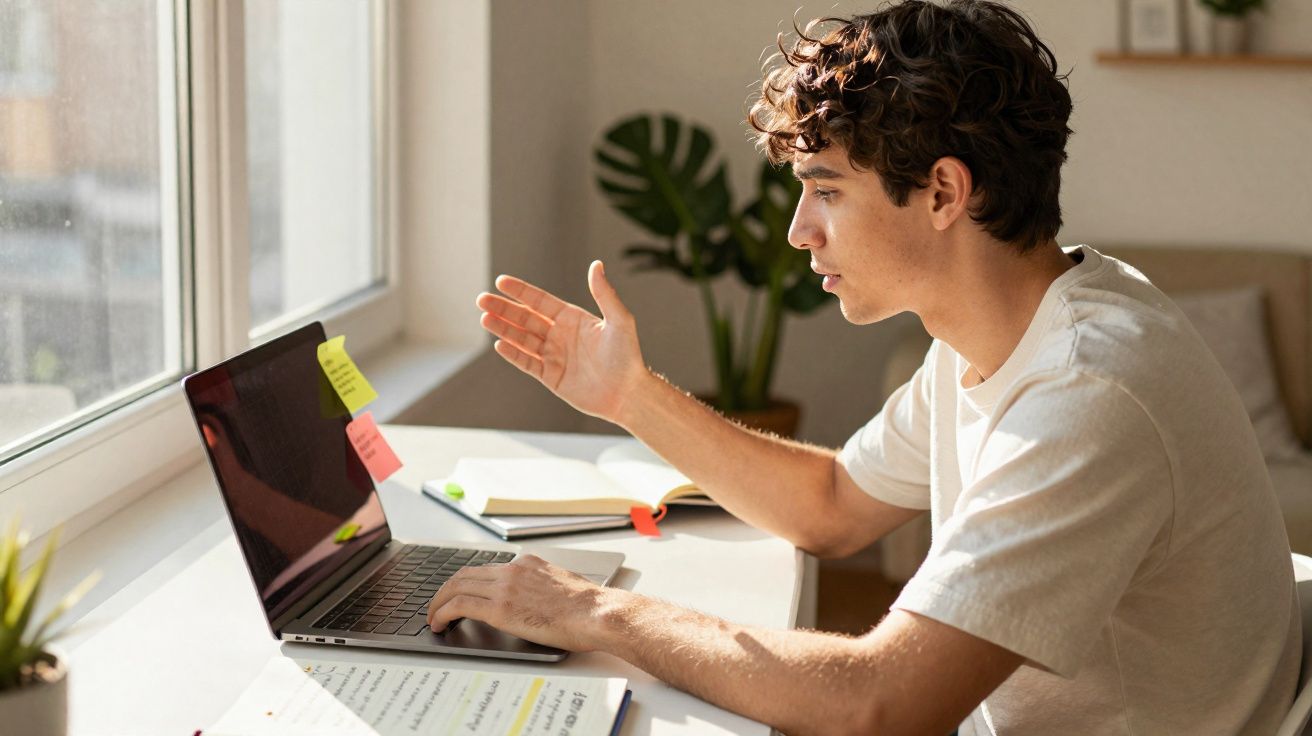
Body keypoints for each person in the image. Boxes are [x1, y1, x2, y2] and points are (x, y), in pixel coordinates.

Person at [425, 1, 1300, 733]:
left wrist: (593, 611)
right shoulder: (1006, 324)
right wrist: (629, 395)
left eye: (829, 191)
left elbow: (882, 705)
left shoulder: (1087, 391)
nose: (800, 231)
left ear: (945, 193)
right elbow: (835, 506)